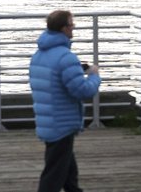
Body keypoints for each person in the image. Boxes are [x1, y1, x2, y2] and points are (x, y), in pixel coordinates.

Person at [29, 10, 102, 192]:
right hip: (62, 123)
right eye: (71, 25)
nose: (73, 28)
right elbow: (82, 91)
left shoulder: (39, 54)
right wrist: (94, 76)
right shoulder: (66, 57)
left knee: (68, 170)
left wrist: (77, 69)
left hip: (48, 120)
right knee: (53, 175)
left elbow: (53, 78)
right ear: (63, 29)